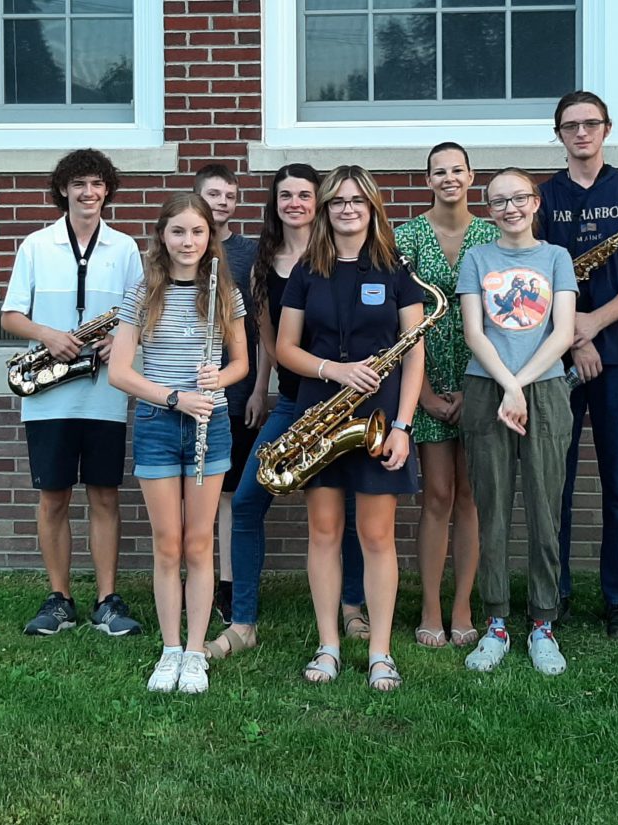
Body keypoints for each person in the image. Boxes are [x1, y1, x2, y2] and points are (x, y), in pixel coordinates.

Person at [205, 164, 369, 661]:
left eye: (304, 194)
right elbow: (269, 340)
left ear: (318, 200)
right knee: (250, 500)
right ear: (274, 203)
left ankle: (353, 607)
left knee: (352, 507)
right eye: (285, 196)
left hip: (344, 403)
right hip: (294, 398)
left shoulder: (341, 253)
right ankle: (243, 621)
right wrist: (261, 388)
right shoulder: (262, 261)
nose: (295, 202)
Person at [277, 165, 425, 691]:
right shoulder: (305, 271)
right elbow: (285, 349)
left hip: (380, 416)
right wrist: (334, 370)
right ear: (325, 210)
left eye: (357, 202)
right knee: (323, 532)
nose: (347, 209)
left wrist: (404, 426)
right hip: (321, 411)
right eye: (337, 201)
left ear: (373, 209)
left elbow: (414, 353)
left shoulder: (395, 268)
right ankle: (328, 645)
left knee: (377, 535)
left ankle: (381, 652)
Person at [1, 148, 144, 638]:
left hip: (104, 390)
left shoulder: (124, 248)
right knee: (53, 497)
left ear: (108, 190)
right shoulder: (36, 245)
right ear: (63, 188)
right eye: (80, 183)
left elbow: (138, 314)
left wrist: (117, 339)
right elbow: (10, 315)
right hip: (48, 396)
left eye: (97, 184)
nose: (89, 193)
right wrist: (48, 335)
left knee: (105, 495)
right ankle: (59, 597)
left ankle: (107, 599)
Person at [109, 193, 248, 693]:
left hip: (211, 423)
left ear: (210, 237)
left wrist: (219, 377)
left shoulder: (223, 292)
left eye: (198, 232)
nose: (188, 242)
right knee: (167, 543)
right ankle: (170, 650)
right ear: (162, 236)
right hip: (158, 423)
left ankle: (195, 652)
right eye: (178, 232)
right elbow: (120, 372)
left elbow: (242, 365)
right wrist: (174, 398)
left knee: (198, 542)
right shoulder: (142, 293)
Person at [538, 90, 618, 640]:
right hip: (555, 359)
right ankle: (553, 592)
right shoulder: (542, 199)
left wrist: (595, 324)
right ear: (559, 134)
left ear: (606, 129)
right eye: (571, 126)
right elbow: (535, 280)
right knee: (553, 482)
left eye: (591, 124)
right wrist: (574, 338)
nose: (581, 133)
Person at [457, 167, 578, 676]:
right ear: (489, 210)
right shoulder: (477, 258)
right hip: (487, 387)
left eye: (518, 198)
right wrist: (508, 386)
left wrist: (523, 384)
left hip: (546, 389)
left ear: (534, 203)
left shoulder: (556, 258)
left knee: (546, 507)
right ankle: (497, 622)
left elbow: (564, 332)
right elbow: (474, 331)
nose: (509, 208)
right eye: (498, 201)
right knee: (493, 506)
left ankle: (543, 623)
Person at [394, 142, 499, 649]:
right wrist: (426, 395)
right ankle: (431, 607)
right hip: (426, 379)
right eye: (440, 171)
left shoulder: (494, 234)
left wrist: (483, 385)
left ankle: (463, 607)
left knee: (472, 499)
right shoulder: (405, 236)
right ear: (428, 179)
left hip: (484, 379)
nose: (450, 178)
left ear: (471, 176)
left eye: (458, 170)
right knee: (437, 495)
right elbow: (397, 318)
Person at [193, 164, 268, 624]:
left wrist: (260, 386)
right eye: (214, 194)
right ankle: (192, 576)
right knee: (193, 490)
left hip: (237, 390)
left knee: (228, 493)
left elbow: (262, 328)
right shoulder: (180, 247)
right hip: (185, 389)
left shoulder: (250, 253)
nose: (223, 202)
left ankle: (226, 585)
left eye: (231, 196)